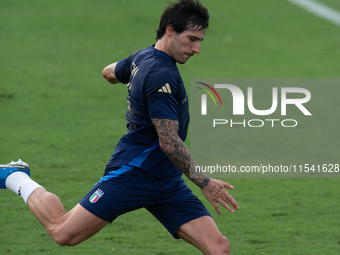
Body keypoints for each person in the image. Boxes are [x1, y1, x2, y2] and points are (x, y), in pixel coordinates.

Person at [0, 0, 239, 254]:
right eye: (192, 39)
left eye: (200, 40)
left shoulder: (142, 57)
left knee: (219, 248)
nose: (197, 48)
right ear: (170, 30)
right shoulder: (161, 74)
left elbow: (109, 72)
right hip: (135, 172)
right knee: (63, 231)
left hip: (166, 178)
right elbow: (168, 141)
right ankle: (15, 177)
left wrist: (127, 79)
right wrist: (204, 183)